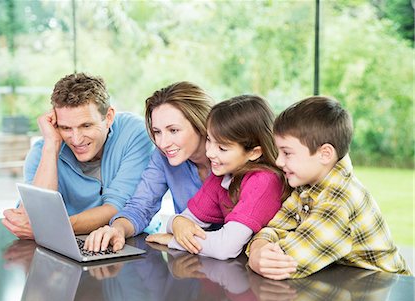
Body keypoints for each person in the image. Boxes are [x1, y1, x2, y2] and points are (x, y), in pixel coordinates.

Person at [247, 96, 411, 280]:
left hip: (386, 288)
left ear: (325, 154)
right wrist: (259, 249)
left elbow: (288, 262)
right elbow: (275, 228)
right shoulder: (308, 186)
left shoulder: (339, 201)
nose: (278, 161)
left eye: (287, 153)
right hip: (348, 282)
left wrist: (257, 258)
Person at [2, 73, 153, 239]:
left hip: (132, 242)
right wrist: (51, 146)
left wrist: (53, 228)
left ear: (108, 117)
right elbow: (34, 215)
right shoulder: (43, 151)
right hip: (66, 246)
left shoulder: (135, 134)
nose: (76, 139)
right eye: (66, 128)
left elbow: (118, 208)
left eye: (86, 126)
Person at [146, 95, 291, 260]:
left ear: (254, 152)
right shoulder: (222, 176)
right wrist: (177, 222)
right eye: (209, 140)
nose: (210, 153)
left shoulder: (264, 181)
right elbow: (187, 219)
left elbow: (226, 248)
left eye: (222, 148)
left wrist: (174, 240)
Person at [84, 81, 214, 252]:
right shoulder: (163, 157)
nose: (163, 143)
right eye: (157, 132)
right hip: (195, 259)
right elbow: (141, 206)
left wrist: (172, 230)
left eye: (173, 130)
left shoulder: (234, 158)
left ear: (201, 123)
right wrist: (117, 229)